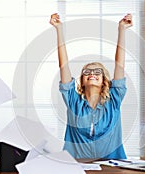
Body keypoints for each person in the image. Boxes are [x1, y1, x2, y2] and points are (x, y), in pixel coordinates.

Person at [50, 13, 132, 159]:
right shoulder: (73, 101)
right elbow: (63, 65)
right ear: (82, 81)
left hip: (111, 167)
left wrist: (122, 30)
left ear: (104, 81)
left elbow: (119, 65)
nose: (92, 73)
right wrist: (59, 30)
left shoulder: (114, 99)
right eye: (87, 72)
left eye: (97, 72)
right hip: (77, 166)